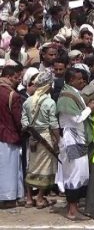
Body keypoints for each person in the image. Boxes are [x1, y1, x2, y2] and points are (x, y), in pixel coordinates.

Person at [56, 65, 94, 221]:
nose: (82, 81)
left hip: (78, 138)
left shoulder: (74, 93)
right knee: (74, 174)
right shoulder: (67, 96)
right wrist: (89, 108)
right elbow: (76, 119)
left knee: (81, 173)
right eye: (79, 79)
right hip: (71, 139)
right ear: (71, 80)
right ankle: (72, 211)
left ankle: (74, 208)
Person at [21, 70, 59, 209]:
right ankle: (40, 198)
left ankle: (29, 198)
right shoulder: (49, 102)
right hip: (46, 137)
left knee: (31, 165)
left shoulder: (28, 101)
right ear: (48, 85)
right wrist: (57, 138)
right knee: (45, 168)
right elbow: (53, 123)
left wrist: (32, 130)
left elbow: (24, 122)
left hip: (33, 137)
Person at [0, 60, 24, 208]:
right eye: (16, 78)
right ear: (9, 77)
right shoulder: (12, 96)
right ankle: (8, 197)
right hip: (8, 135)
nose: (18, 80)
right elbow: (18, 119)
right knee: (9, 168)